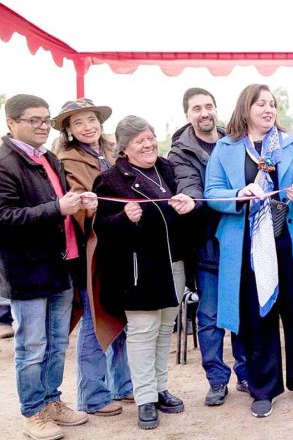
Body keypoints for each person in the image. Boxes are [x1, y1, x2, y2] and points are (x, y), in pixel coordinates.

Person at [204, 84, 293, 418]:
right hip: (246, 244)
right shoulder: (225, 149)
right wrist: (239, 193)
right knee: (257, 318)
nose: (268, 109)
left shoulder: (292, 144)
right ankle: (262, 388)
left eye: (272, 104)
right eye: (261, 104)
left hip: (289, 240)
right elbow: (211, 192)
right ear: (246, 108)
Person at [0, 94, 93, 440]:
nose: (42, 126)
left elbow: (62, 204)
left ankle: (52, 401)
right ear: (12, 123)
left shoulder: (48, 157)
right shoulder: (4, 162)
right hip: (27, 271)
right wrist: (58, 207)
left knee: (57, 343)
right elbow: (4, 219)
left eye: (46, 119)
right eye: (34, 120)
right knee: (32, 346)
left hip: (61, 265)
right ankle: (32, 412)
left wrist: (80, 201)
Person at [92, 115, 194, 430]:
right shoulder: (110, 180)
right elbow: (99, 230)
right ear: (124, 149)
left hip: (172, 263)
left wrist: (185, 206)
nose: (148, 144)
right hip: (137, 272)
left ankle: (161, 388)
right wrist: (124, 219)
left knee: (166, 328)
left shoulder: (166, 169)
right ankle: (145, 398)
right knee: (143, 331)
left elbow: (182, 212)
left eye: (150, 137)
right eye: (140, 141)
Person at [167, 88, 249, 406]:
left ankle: (245, 373)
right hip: (207, 244)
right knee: (211, 315)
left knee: (242, 311)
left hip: (241, 239)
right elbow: (193, 190)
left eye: (209, 106)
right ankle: (217, 379)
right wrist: (213, 197)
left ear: (217, 109)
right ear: (187, 115)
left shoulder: (236, 140)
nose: (205, 113)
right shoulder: (180, 153)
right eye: (196, 108)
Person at [51, 98, 132, 418]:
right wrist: (92, 207)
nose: (88, 127)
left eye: (91, 120)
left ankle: (122, 385)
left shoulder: (113, 151)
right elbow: (73, 204)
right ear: (69, 130)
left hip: (121, 244)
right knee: (94, 319)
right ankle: (92, 395)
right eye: (79, 123)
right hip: (92, 249)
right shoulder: (67, 159)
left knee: (121, 317)